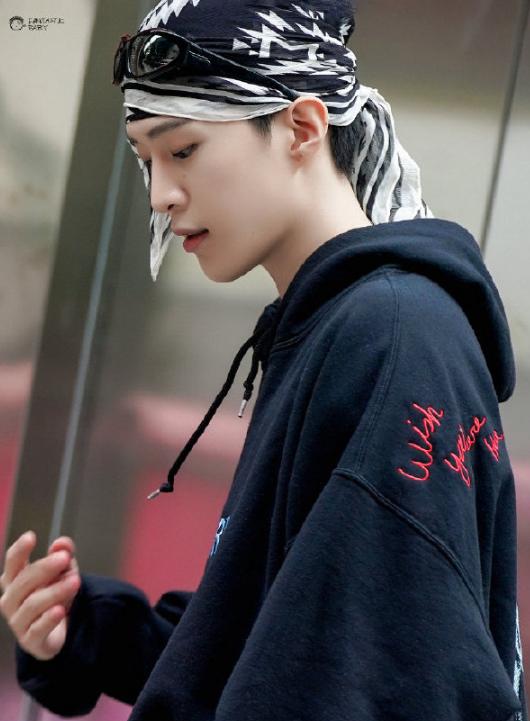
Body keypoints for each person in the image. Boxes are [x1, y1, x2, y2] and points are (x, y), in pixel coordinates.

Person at [1, 1, 527, 719]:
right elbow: (280, 641)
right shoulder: (341, 325)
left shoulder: (392, 336)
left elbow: (367, 684)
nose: (161, 195)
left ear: (302, 128)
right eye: (146, 161)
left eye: (184, 149)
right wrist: (97, 636)